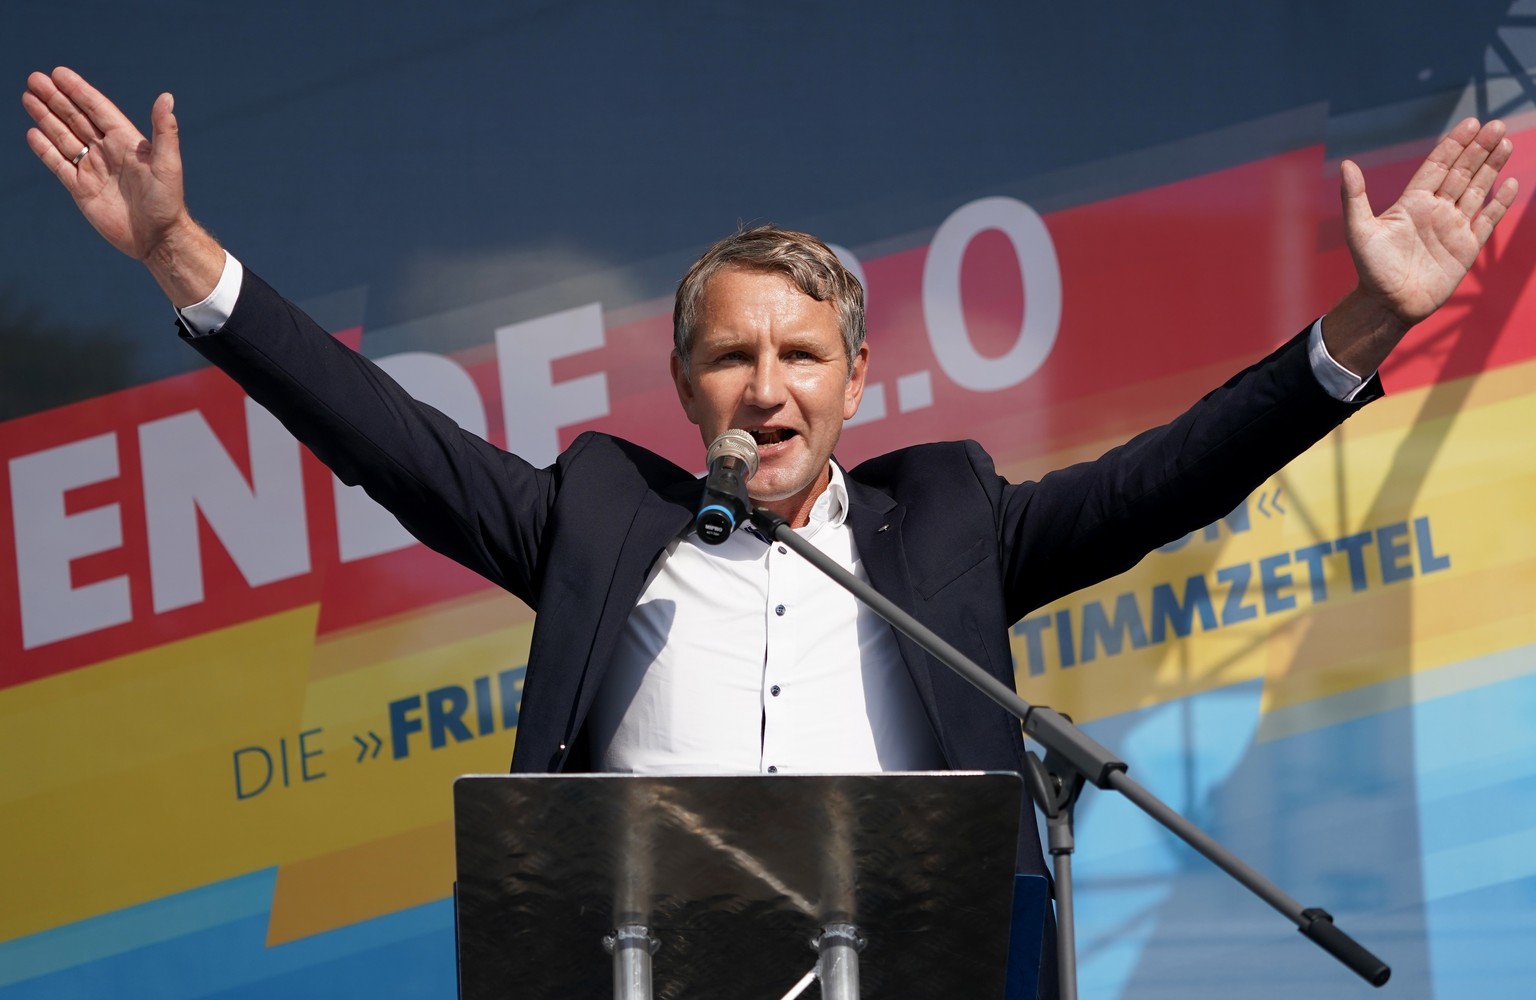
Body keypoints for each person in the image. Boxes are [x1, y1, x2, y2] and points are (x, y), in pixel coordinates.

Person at [23, 65, 1518, 996]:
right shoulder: (598, 518)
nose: (768, 384)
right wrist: (182, 258)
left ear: (859, 378)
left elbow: (1172, 476)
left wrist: (1370, 315)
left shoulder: (947, 522)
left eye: (803, 355)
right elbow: (378, 432)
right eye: (734, 356)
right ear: (685, 384)